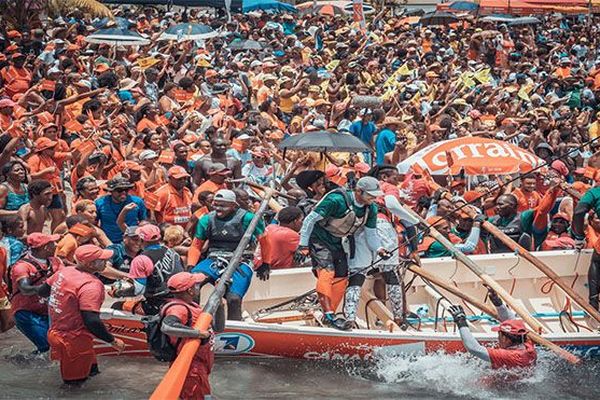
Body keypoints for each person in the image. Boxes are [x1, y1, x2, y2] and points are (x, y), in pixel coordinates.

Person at [296, 177, 388, 330]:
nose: (374, 198)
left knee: (342, 276)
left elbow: (371, 235)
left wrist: (379, 249)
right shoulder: (336, 200)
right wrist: (303, 245)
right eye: (370, 195)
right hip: (317, 238)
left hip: (336, 241)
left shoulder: (370, 209)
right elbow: (309, 220)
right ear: (359, 191)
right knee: (327, 272)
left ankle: (328, 313)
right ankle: (329, 315)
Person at [45, 245, 126, 384]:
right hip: (74, 340)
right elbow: (91, 321)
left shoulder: (64, 272)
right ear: (90, 264)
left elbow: (43, 291)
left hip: (55, 332)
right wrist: (112, 341)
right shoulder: (92, 285)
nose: (106, 261)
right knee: (74, 388)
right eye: (102, 259)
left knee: (93, 373)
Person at [187, 189, 272, 320]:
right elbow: (196, 245)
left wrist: (266, 264)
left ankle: (235, 329)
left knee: (233, 299)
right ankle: (193, 320)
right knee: (192, 284)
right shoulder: (206, 219)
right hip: (214, 259)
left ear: (233, 205)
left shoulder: (248, 218)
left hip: (241, 261)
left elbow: (265, 241)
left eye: (223, 205)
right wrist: (190, 266)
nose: (218, 208)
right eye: (216, 204)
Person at [161, 271, 225, 400]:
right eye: (196, 285)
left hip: (201, 366)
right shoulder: (178, 308)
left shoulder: (192, 305)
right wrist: (198, 333)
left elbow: (219, 327)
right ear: (190, 290)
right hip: (191, 368)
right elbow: (167, 326)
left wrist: (220, 303)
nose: (198, 287)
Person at [448, 287, 536, 370]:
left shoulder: (509, 356)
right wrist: (497, 303)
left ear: (505, 339)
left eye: (499, 335)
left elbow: (474, 349)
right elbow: (511, 320)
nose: (498, 338)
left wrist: (461, 321)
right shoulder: (527, 344)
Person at [8, 232, 64, 353]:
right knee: (47, 347)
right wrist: (44, 289)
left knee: (57, 345)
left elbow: (66, 279)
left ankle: (26, 361)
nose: (56, 245)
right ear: (45, 247)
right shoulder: (21, 266)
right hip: (25, 313)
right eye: (53, 243)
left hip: (48, 310)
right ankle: (20, 362)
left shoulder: (55, 262)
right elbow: (25, 289)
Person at [110, 224, 184, 315]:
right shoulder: (172, 252)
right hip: (181, 298)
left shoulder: (141, 259)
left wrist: (118, 293)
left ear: (141, 240)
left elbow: (138, 290)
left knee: (116, 306)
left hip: (158, 305)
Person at [95, 177, 148, 243]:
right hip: (110, 242)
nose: (123, 193)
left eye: (126, 190)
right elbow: (94, 223)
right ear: (111, 191)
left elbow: (143, 220)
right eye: (119, 190)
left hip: (131, 242)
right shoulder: (100, 203)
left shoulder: (137, 201)